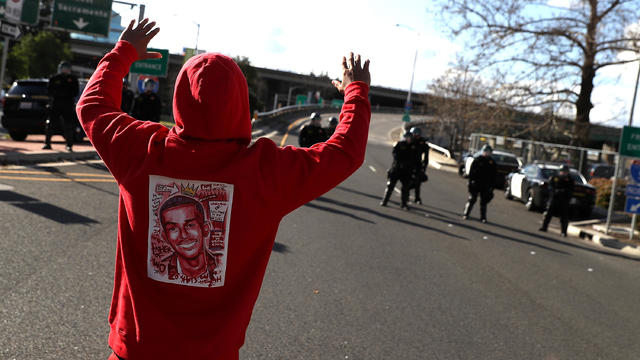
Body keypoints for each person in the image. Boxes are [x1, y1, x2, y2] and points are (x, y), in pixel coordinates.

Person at [76, 18, 371, 359]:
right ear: (240, 104)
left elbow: (93, 106)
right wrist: (356, 92)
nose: (183, 234)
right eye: (173, 227)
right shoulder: (265, 171)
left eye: (189, 225)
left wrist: (124, 52)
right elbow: (345, 151)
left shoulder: (141, 150)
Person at [380, 130, 421, 210]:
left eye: (409, 138)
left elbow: (417, 159)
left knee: (405, 188)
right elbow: (395, 155)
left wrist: (415, 169)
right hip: (397, 169)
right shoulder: (399, 144)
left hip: (407, 171)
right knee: (390, 185)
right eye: (407, 138)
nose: (408, 139)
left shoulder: (414, 147)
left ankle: (404, 204)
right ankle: (385, 201)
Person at [43, 61, 79, 151]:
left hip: (67, 104)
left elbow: (75, 92)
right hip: (56, 104)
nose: (65, 70)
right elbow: (49, 91)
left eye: (67, 68)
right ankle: (47, 143)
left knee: (68, 125)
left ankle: (69, 145)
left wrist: (65, 94)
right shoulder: (54, 78)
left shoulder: (73, 79)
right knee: (50, 124)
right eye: (63, 68)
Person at [462, 144, 497, 223]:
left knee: (483, 202)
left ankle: (483, 217)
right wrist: (470, 181)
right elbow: (471, 173)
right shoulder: (478, 160)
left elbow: (494, 176)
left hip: (485, 185)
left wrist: (492, 187)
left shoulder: (492, 163)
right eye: (486, 151)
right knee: (472, 199)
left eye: (489, 152)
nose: (487, 153)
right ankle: (466, 214)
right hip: (476, 183)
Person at [538, 165, 574, 236]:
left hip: (564, 201)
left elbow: (571, 190)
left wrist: (563, 192)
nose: (563, 173)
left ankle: (564, 232)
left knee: (564, 217)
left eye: (565, 172)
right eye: (562, 171)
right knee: (548, 214)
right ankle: (544, 227)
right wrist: (554, 191)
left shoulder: (570, 180)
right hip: (554, 199)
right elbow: (550, 187)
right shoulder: (554, 178)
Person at [409, 126, 429, 204]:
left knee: (418, 182)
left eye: (417, 134)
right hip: (408, 164)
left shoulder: (422, 143)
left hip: (417, 164)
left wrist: (424, 167)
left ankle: (417, 198)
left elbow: (426, 158)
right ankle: (405, 195)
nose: (416, 135)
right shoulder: (408, 141)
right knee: (407, 181)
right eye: (414, 134)